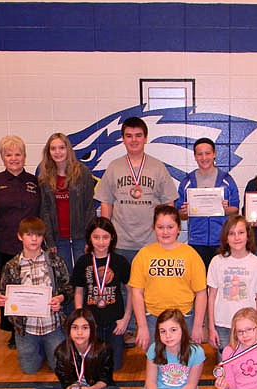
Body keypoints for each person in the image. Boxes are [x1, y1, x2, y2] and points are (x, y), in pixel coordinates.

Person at [94, 117, 178, 345]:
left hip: (151, 241)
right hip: (121, 240)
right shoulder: (114, 167)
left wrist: (167, 238)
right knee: (125, 288)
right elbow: (106, 204)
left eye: (138, 135)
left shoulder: (157, 166)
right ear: (123, 139)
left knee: (154, 287)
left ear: (145, 138)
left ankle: (158, 327)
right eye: (129, 136)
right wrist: (105, 236)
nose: (134, 140)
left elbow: (169, 204)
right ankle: (130, 328)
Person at [0, 135, 41, 349]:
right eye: (9, 154)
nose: (14, 158)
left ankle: (34, 327)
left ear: (25, 156)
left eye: (18, 154)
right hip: (5, 245)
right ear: (2, 157)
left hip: (33, 246)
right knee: (10, 289)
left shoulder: (35, 183)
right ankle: (13, 331)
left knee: (33, 286)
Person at [0, 217, 73, 373]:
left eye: (38, 235)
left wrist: (60, 298)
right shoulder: (12, 266)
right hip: (26, 328)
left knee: (58, 368)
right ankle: (40, 349)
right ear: (20, 236)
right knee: (29, 369)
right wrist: (3, 300)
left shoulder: (54, 261)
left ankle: (49, 348)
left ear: (43, 237)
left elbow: (68, 287)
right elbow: (5, 292)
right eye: (29, 235)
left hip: (52, 325)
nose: (34, 239)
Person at [32, 308, 123, 389]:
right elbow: (65, 383)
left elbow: (105, 379)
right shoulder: (61, 351)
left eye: (85, 328)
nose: (80, 333)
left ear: (92, 329)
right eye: (75, 328)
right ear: (68, 330)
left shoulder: (104, 349)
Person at [128, 205, 207, 350]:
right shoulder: (144, 255)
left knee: (183, 364)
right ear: (154, 228)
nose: (165, 232)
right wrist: (142, 326)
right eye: (160, 227)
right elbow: (137, 293)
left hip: (184, 317)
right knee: (156, 363)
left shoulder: (191, 255)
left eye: (170, 227)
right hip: (153, 318)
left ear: (178, 228)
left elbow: (201, 292)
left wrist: (197, 326)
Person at [72, 217, 131, 370]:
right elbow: (78, 291)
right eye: (96, 237)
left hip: (115, 323)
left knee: (114, 367)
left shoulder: (120, 261)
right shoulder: (83, 262)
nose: (101, 242)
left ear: (112, 238)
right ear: (89, 239)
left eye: (105, 237)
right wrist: (81, 318)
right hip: (91, 324)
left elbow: (131, 292)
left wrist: (125, 318)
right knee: (93, 366)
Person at [207, 215, 257, 358]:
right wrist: (211, 326)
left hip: (249, 327)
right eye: (232, 233)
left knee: (249, 365)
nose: (237, 238)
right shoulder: (217, 261)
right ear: (226, 237)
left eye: (241, 232)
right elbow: (212, 297)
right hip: (222, 324)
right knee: (226, 366)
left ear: (248, 235)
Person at [176, 137, 240, 271]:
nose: (204, 158)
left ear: (214, 154)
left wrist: (225, 209)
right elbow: (180, 214)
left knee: (222, 283)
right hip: (197, 241)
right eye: (200, 154)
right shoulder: (187, 182)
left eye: (208, 153)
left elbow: (236, 209)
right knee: (199, 284)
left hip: (222, 241)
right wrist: (183, 212)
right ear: (195, 156)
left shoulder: (227, 180)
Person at [38, 132, 96, 276]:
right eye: (53, 148)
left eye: (61, 148)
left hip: (81, 237)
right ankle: (68, 300)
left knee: (84, 276)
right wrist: (50, 241)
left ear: (68, 149)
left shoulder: (82, 173)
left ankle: (81, 300)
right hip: (59, 239)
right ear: (48, 152)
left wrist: (90, 238)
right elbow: (44, 211)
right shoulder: (45, 176)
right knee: (65, 277)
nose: (58, 152)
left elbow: (89, 208)